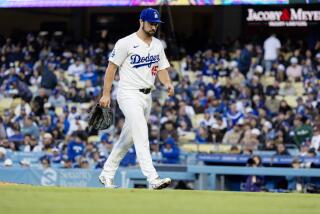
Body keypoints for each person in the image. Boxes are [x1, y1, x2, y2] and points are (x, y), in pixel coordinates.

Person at [98, 8, 174, 189]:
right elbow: (111, 68)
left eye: (156, 24)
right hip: (128, 93)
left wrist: (168, 83)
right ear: (141, 22)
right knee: (141, 133)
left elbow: (161, 68)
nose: (154, 26)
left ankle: (106, 173)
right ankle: (152, 178)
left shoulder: (157, 44)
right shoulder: (126, 42)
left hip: (147, 96)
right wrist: (106, 94)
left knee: (128, 138)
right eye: (151, 23)